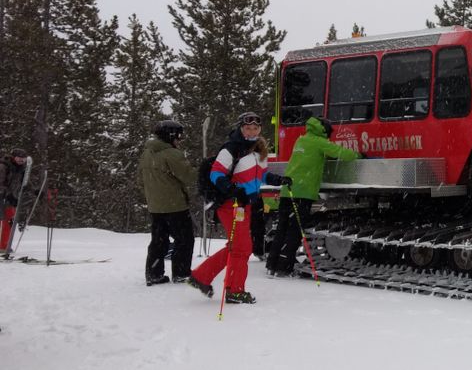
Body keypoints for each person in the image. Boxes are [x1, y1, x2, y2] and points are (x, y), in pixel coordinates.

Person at [188, 112, 290, 304]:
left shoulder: (259, 149)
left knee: (236, 246)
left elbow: (261, 174)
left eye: (255, 128)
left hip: (245, 204)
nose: (252, 131)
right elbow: (216, 174)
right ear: (241, 128)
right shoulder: (231, 148)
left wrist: (277, 179)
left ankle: (201, 276)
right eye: (248, 128)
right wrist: (233, 190)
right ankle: (235, 290)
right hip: (231, 204)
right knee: (242, 248)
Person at [267, 116, 358, 277]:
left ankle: (272, 264)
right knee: (294, 231)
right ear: (324, 131)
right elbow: (342, 154)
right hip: (303, 193)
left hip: (287, 190)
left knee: (282, 228)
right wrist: (359, 155)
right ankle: (284, 266)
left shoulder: (301, 140)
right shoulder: (319, 142)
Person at [138, 121, 198, 286]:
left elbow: (140, 180)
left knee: (159, 240)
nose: (180, 140)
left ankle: (154, 273)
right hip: (175, 205)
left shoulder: (147, 153)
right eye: (179, 136)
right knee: (184, 239)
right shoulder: (172, 154)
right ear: (171, 136)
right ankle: (181, 273)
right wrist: (203, 170)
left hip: (155, 206)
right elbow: (189, 176)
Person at [0, 148, 29, 256]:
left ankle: (4, 245)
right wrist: (7, 194)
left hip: (10, 199)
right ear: (13, 157)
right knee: (2, 221)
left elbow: (24, 183)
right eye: (19, 158)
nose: (21, 161)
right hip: (3, 197)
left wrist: (35, 191)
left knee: (9, 222)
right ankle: (2, 246)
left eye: (23, 159)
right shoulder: (3, 166)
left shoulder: (21, 169)